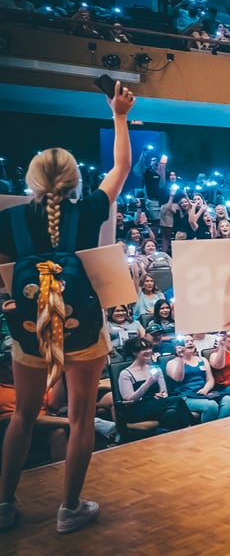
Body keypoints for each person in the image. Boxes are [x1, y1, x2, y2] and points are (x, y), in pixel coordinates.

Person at [0, 81, 135, 533]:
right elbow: (121, 166)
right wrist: (118, 115)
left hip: (29, 333)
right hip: (83, 328)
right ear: (75, 181)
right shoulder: (90, 209)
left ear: (31, 182)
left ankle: (3, 504)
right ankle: (69, 508)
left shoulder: (10, 220)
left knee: (23, 414)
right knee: (80, 418)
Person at [116, 336, 192, 432]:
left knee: (173, 413)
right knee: (177, 400)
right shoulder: (126, 373)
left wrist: (162, 395)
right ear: (134, 352)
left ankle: (183, 434)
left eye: (149, 348)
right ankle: (191, 428)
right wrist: (147, 383)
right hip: (137, 408)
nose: (148, 351)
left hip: (155, 404)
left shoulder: (155, 369)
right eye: (143, 349)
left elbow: (164, 393)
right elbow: (129, 399)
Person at [164, 335, 230, 422]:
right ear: (178, 346)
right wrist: (181, 358)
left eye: (192, 341)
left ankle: (219, 428)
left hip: (203, 393)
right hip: (185, 396)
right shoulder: (171, 363)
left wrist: (205, 389)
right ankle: (207, 432)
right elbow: (178, 379)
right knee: (211, 406)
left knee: (228, 400)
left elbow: (210, 380)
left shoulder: (203, 360)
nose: (190, 343)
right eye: (186, 342)